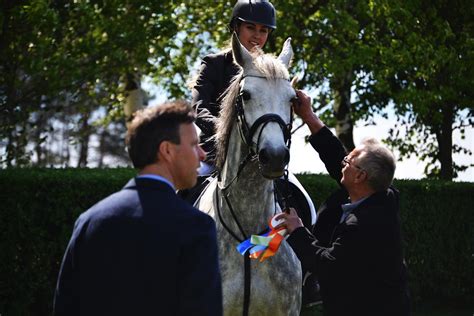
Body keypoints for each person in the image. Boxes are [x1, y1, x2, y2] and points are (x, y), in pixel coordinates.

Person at [53, 101, 222, 316]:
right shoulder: (196, 227)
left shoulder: (89, 221)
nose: (202, 154)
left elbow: (65, 307)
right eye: (193, 144)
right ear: (167, 150)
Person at [276, 90, 411, 315]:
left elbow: (327, 265)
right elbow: (335, 156)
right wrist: (309, 117)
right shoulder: (383, 195)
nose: (344, 163)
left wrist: (298, 230)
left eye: (349, 160)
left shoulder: (361, 224)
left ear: (360, 177)